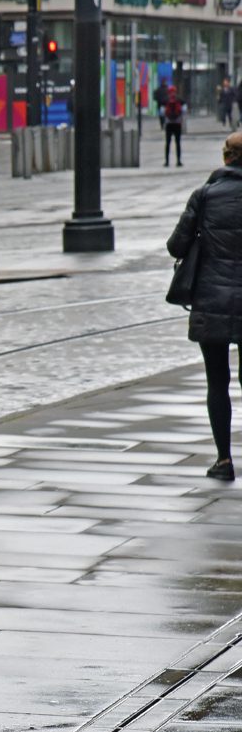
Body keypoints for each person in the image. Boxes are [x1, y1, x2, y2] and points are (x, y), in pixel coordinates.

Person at [166, 132, 242, 481]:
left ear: (226, 157)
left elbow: (176, 245)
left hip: (211, 300)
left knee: (218, 381)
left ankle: (224, 460)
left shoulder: (205, 195)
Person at [164, 86, 185, 168]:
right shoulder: (179, 99)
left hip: (168, 124)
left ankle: (167, 161)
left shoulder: (166, 99)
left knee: (168, 143)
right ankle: (178, 161)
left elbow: (163, 109)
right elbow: (184, 105)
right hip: (177, 124)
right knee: (178, 143)